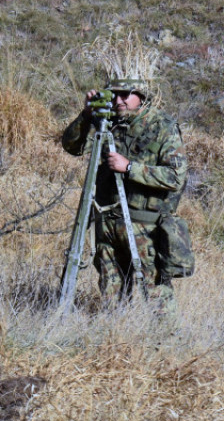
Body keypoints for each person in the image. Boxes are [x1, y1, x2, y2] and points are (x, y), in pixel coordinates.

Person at [61, 75, 190, 312]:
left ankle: (169, 343)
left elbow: (175, 177)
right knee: (112, 297)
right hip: (108, 224)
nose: (119, 100)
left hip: (145, 227)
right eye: (114, 95)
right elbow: (72, 147)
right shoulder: (107, 123)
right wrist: (87, 115)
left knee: (157, 298)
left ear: (141, 96)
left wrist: (130, 168)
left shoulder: (162, 126)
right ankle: (118, 338)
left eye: (125, 94)